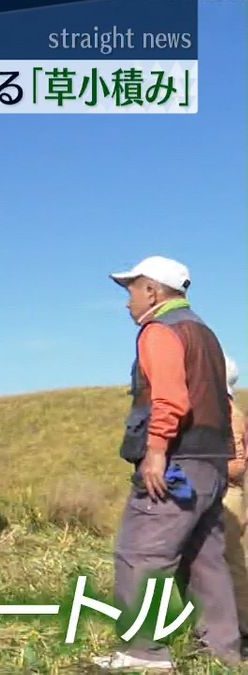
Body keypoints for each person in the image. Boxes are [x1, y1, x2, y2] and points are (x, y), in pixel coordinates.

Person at [93, 256, 238, 670]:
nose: (127, 303)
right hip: (211, 462)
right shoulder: (204, 333)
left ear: (153, 292)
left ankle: (142, 652)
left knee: (140, 553)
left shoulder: (159, 331)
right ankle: (222, 653)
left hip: (176, 462)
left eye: (132, 291)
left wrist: (156, 452)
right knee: (204, 559)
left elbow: (171, 399)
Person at [222, 357, 248, 640]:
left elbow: (236, 464)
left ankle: (241, 626)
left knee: (230, 562)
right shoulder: (236, 412)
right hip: (234, 493)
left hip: (225, 492)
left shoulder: (226, 413)